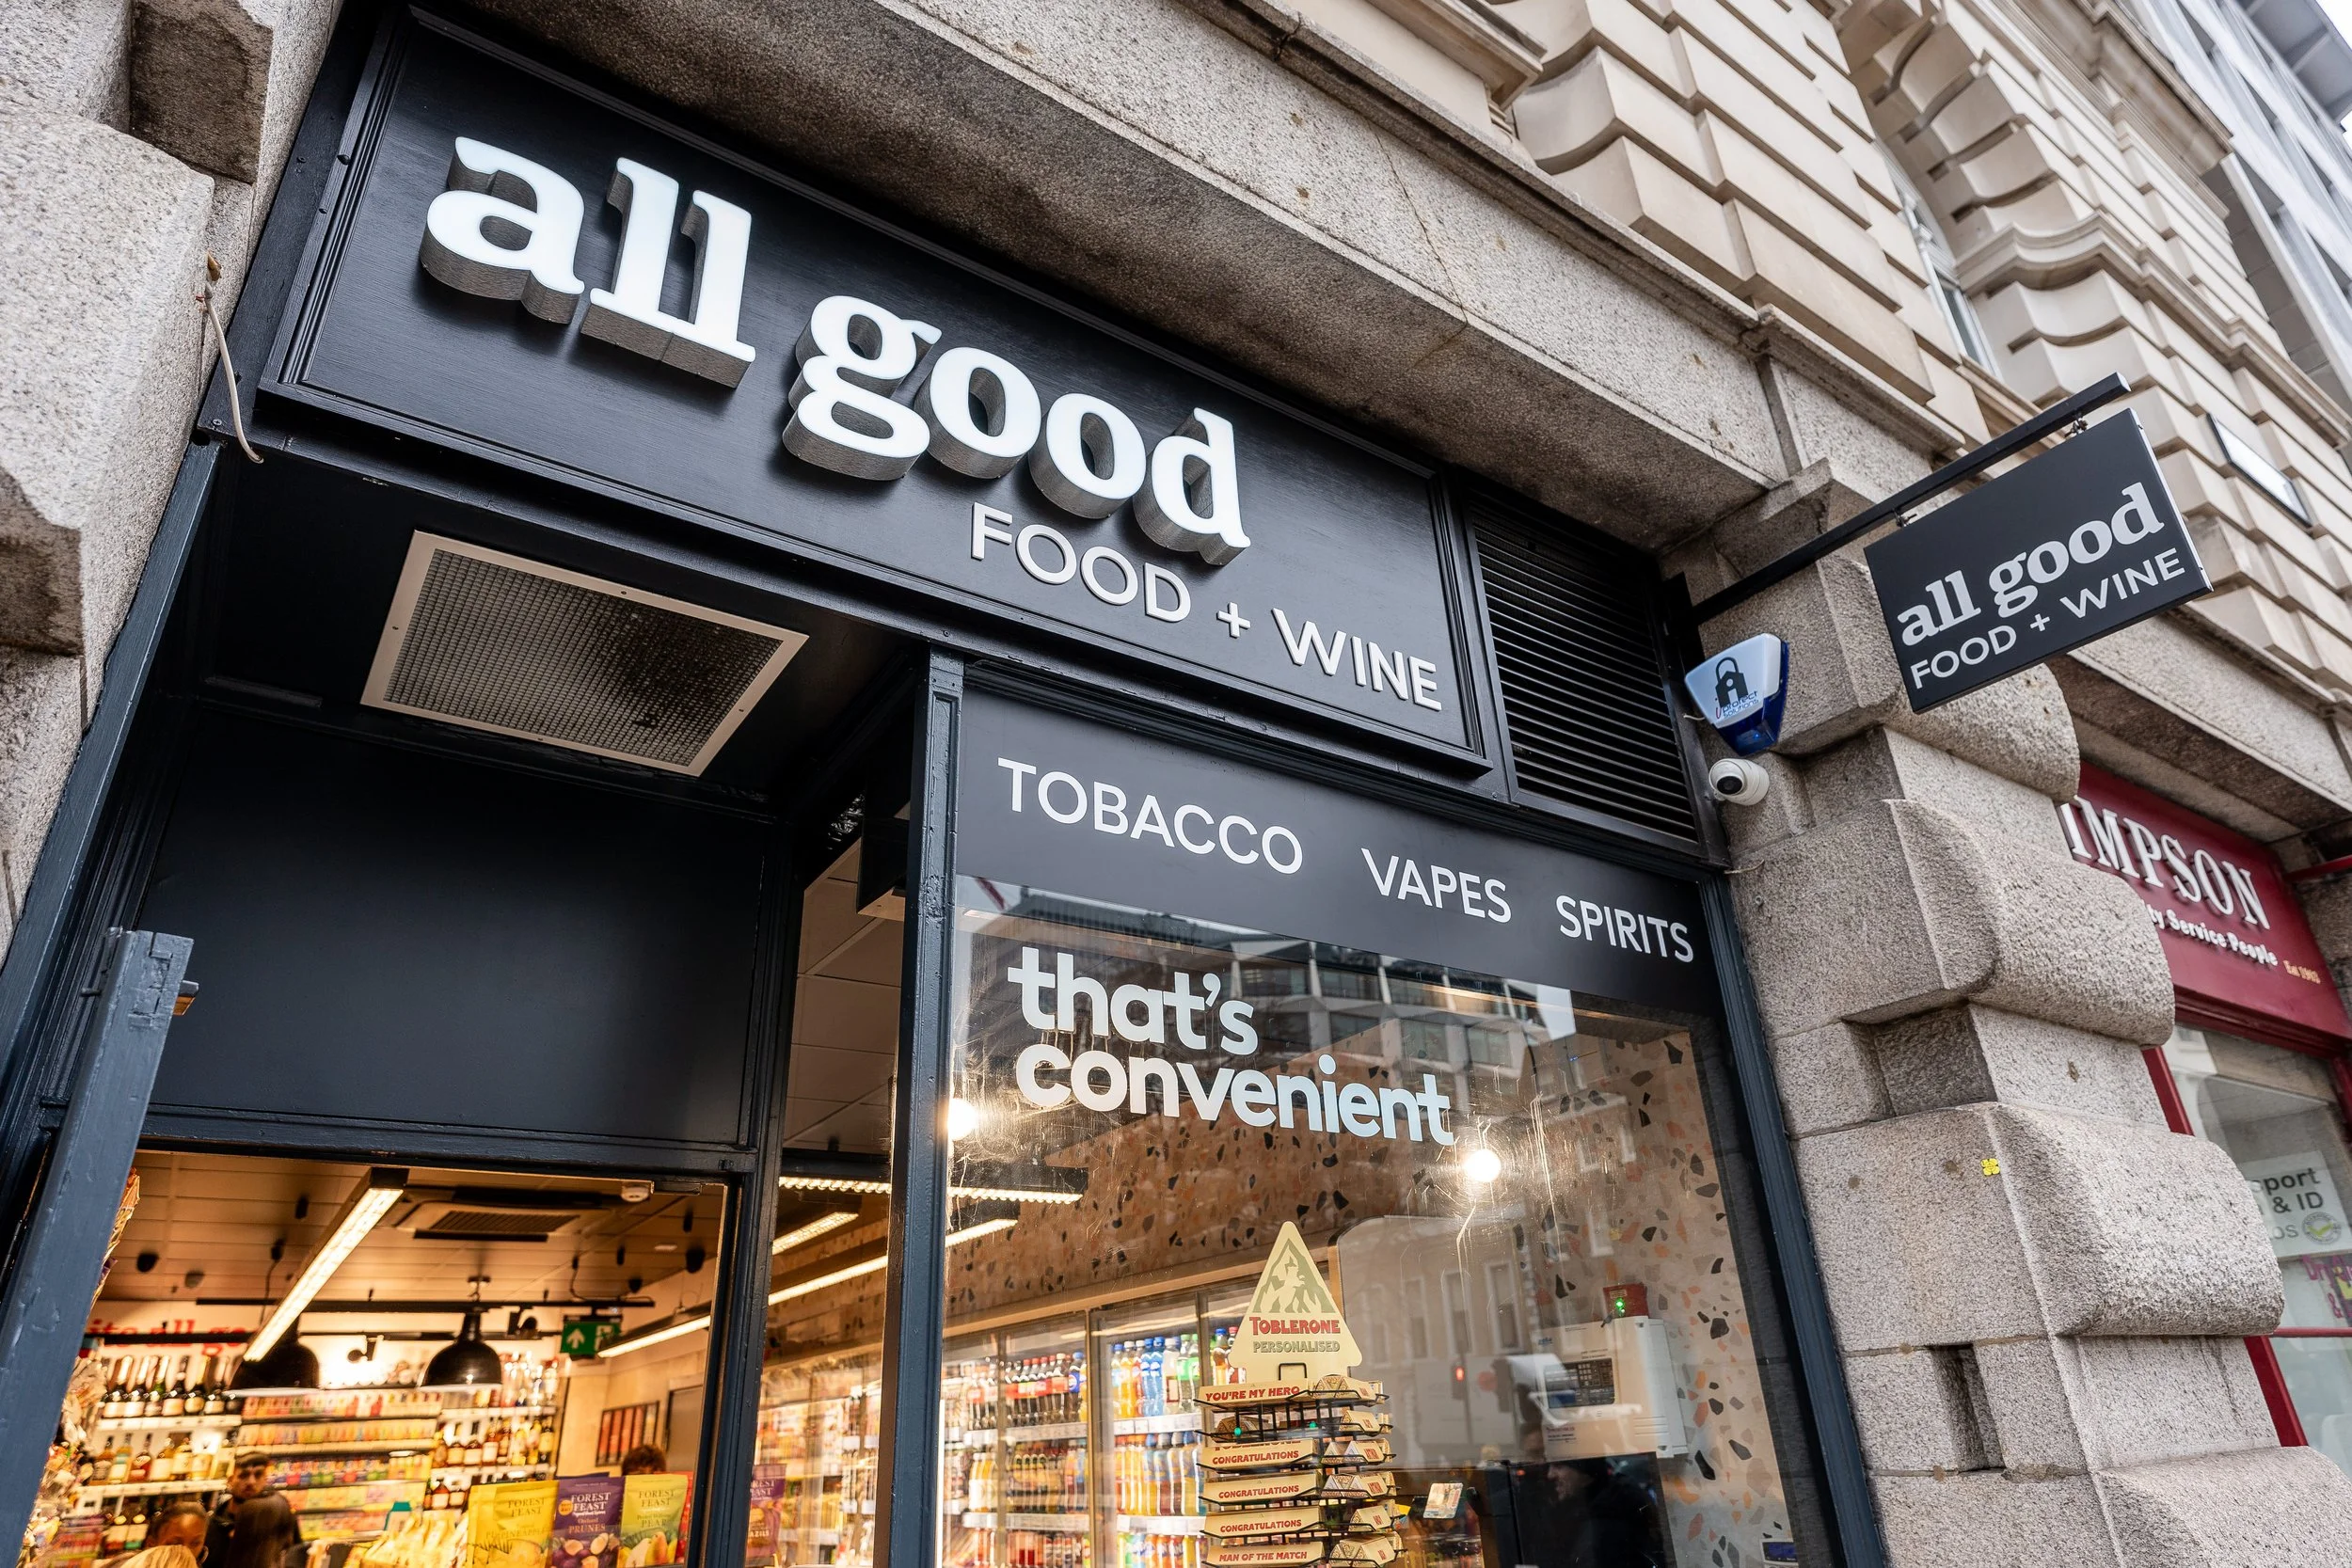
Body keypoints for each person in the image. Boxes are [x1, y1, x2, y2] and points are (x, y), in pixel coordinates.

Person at [209, 1456, 303, 1568]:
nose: (251, 1482)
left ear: (265, 1479)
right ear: (230, 1480)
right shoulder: (212, 1525)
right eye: (243, 1475)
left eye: (258, 1475)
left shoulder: (278, 1520)